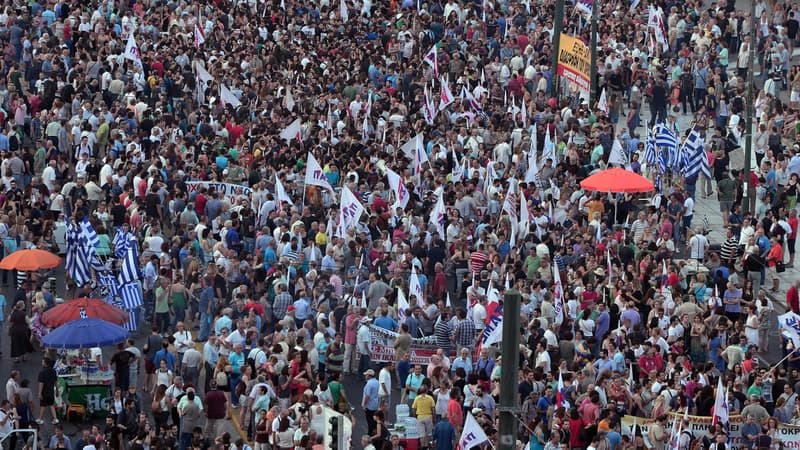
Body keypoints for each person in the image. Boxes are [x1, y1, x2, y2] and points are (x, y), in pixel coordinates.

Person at [36, 358, 58, 425]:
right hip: (51, 391)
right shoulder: (53, 371)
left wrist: (39, 393)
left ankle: (40, 419)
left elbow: (41, 383)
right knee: (51, 405)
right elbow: (55, 381)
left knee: (43, 405)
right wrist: (57, 390)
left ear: (45, 363)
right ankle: (55, 419)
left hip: (44, 391)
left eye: (43, 362)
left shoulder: (42, 372)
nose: (42, 363)